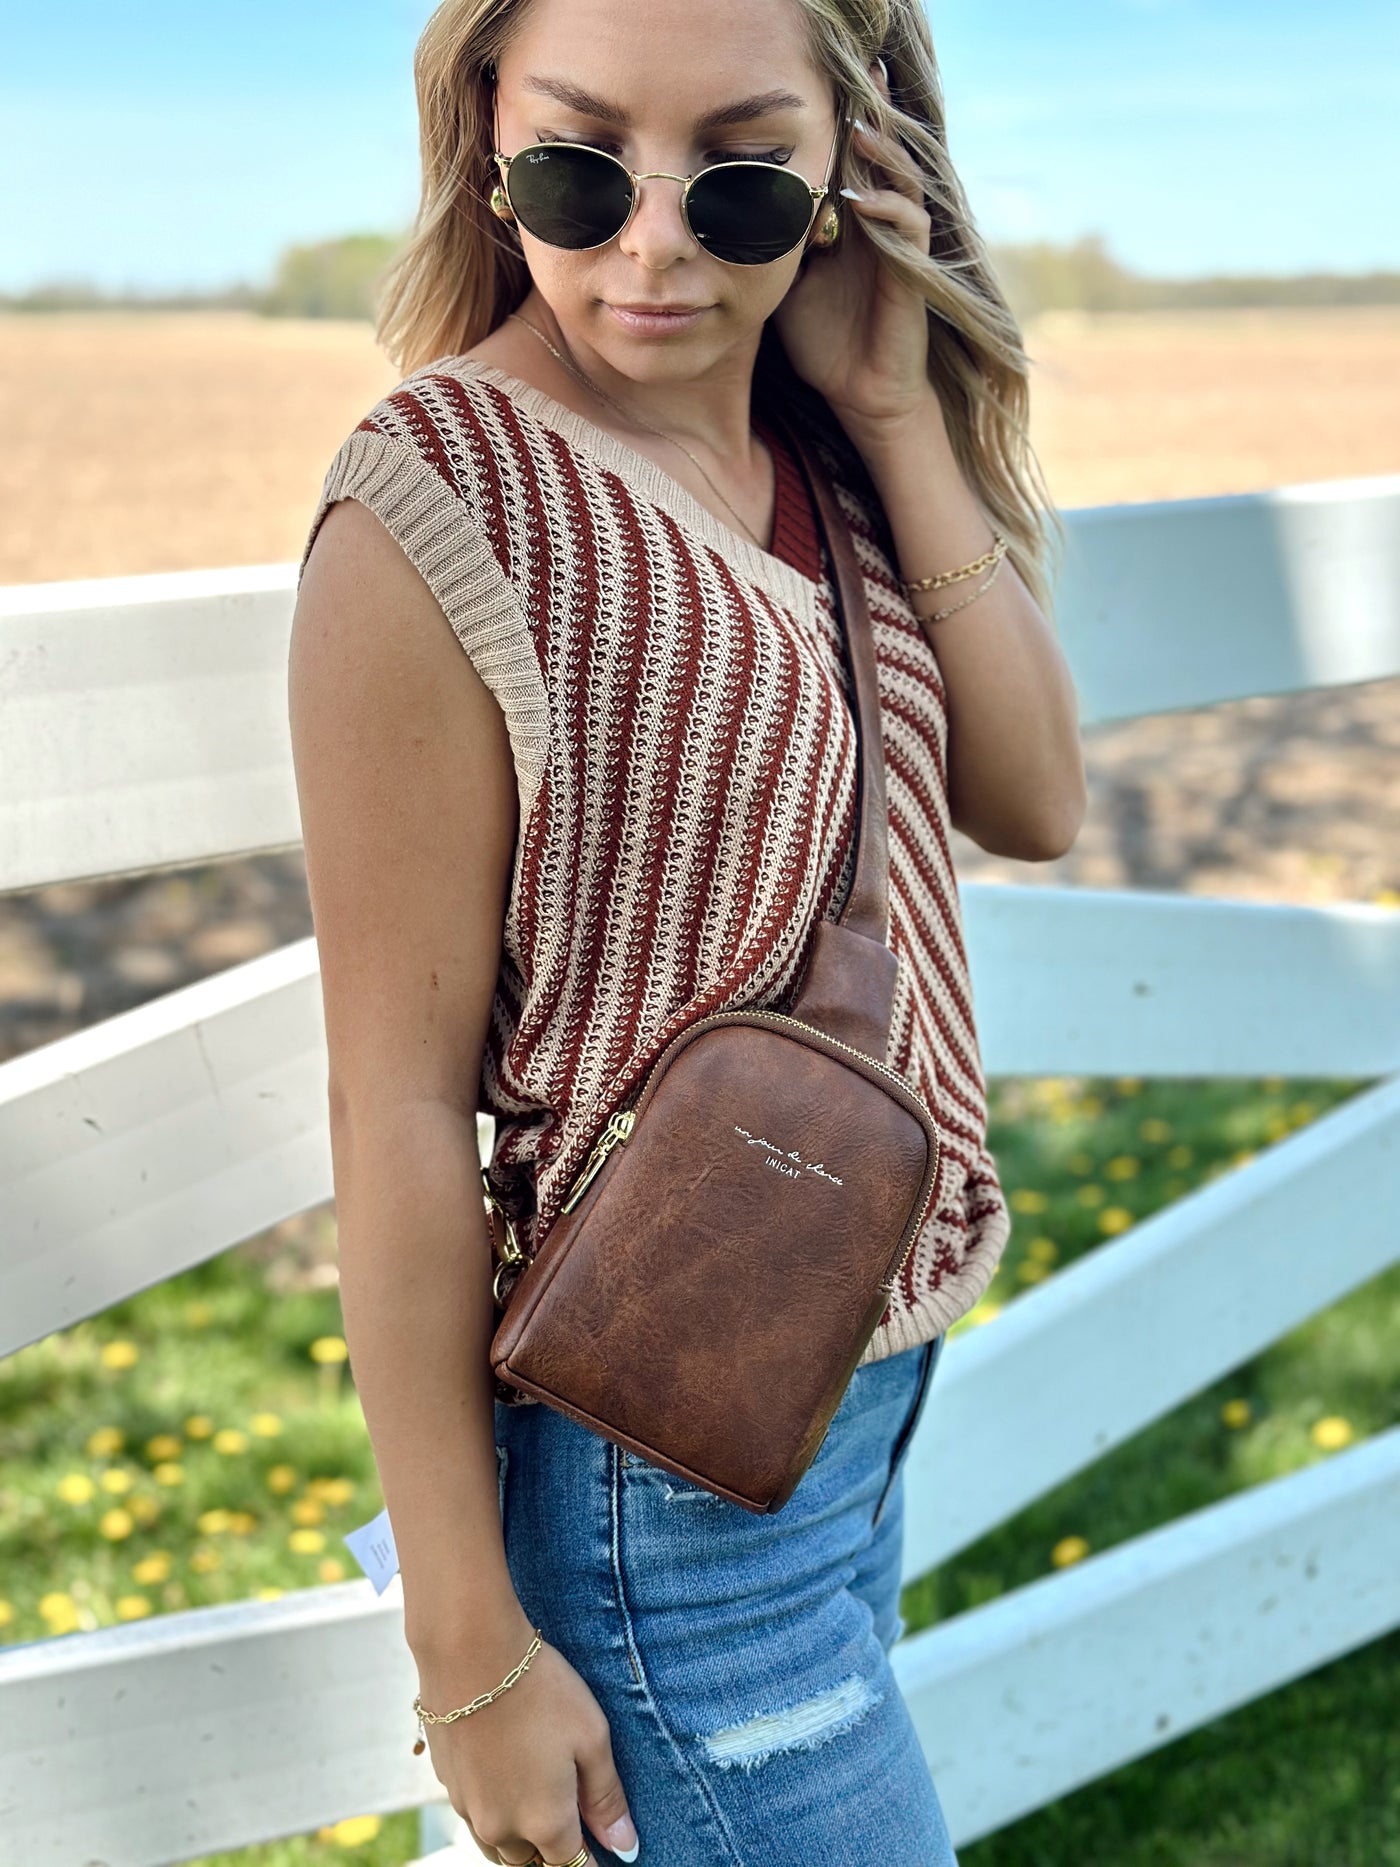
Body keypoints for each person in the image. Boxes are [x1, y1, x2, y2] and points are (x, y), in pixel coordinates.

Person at [288, 0, 1085, 1861]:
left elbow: (1035, 799)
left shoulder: (826, 454)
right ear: (490, 132)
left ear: (842, 173)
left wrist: (895, 406)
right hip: (661, 1501)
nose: (650, 245)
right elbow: (392, 1112)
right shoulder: (440, 508)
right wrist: (467, 1649)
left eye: (736, 181)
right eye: (581, 169)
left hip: (849, 1407)